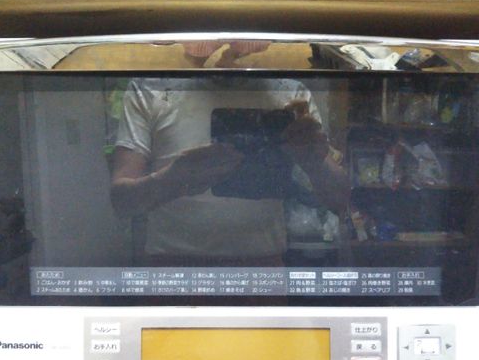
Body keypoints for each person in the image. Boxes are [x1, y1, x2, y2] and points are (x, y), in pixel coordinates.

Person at [110, 44, 348, 267]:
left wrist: (315, 162)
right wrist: (174, 180)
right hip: (174, 268)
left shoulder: (289, 90)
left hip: (261, 268)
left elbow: (341, 201)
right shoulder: (151, 88)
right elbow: (121, 203)